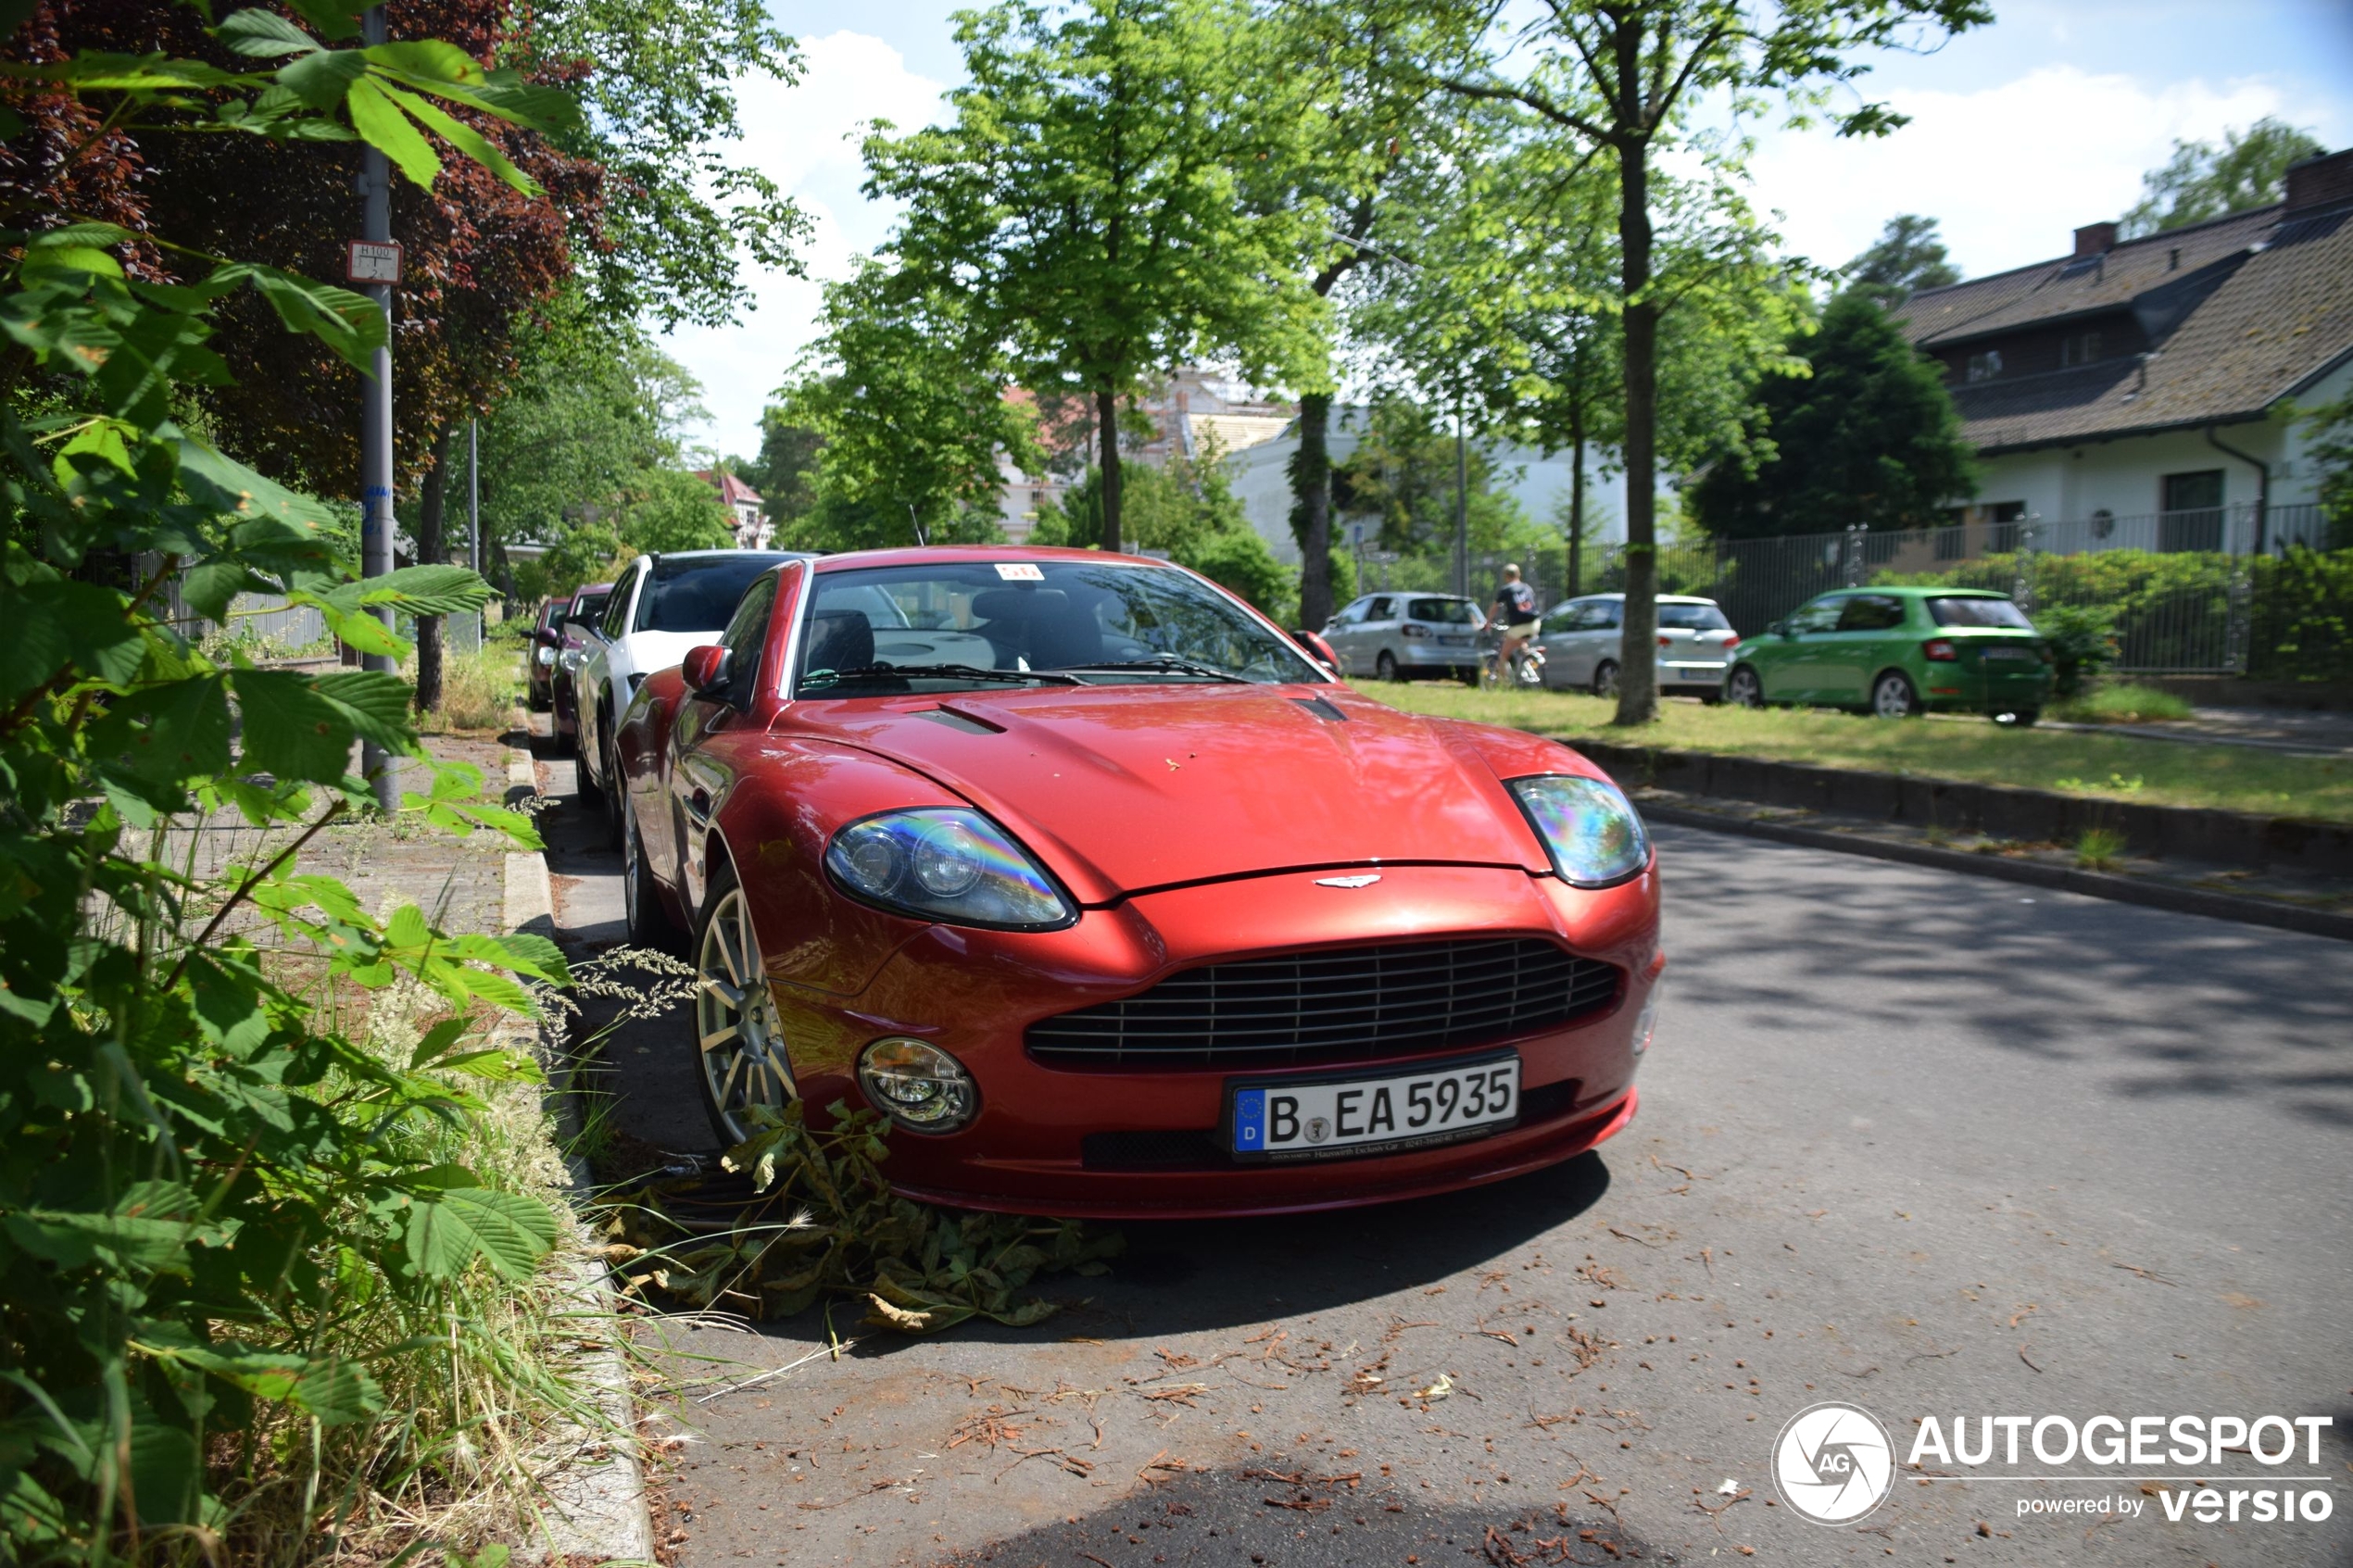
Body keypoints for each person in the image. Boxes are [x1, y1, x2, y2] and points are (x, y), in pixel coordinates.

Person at [1490, 564, 1540, 680]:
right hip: (1535, 623)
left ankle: (1507, 682)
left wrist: (1488, 622)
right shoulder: (1527, 587)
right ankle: (1529, 659)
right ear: (1519, 574)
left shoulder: (1506, 590)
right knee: (1520, 642)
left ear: (1506, 576)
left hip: (1518, 626)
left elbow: (1494, 607)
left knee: (1503, 655)